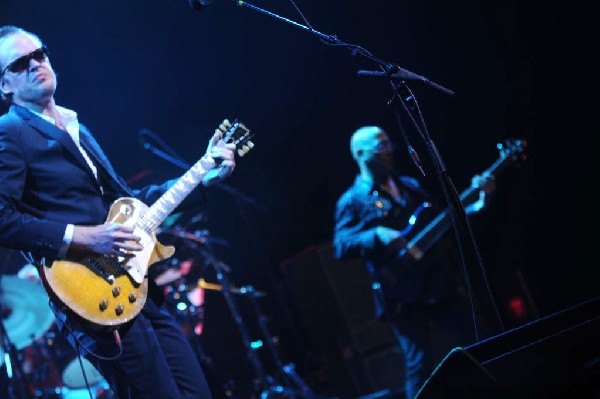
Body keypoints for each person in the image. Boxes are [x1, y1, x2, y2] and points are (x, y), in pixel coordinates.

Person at [0, 25, 238, 398]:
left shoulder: (78, 126)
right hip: (92, 297)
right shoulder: (10, 132)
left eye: (39, 54)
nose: (36, 64)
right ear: (4, 86)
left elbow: (130, 200)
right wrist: (83, 237)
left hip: (136, 283)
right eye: (20, 63)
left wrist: (202, 176)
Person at [333, 126, 495, 399]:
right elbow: (341, 245)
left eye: (388, 143)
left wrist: (478, 203)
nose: (389, 149)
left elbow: (442, 222)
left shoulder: (410, 185)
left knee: (480, 337)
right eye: (381, 145)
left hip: (434, 280)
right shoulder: (352, 201)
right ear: (361, 153)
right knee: (419, 363)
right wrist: (376, 234)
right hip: (398, 293)